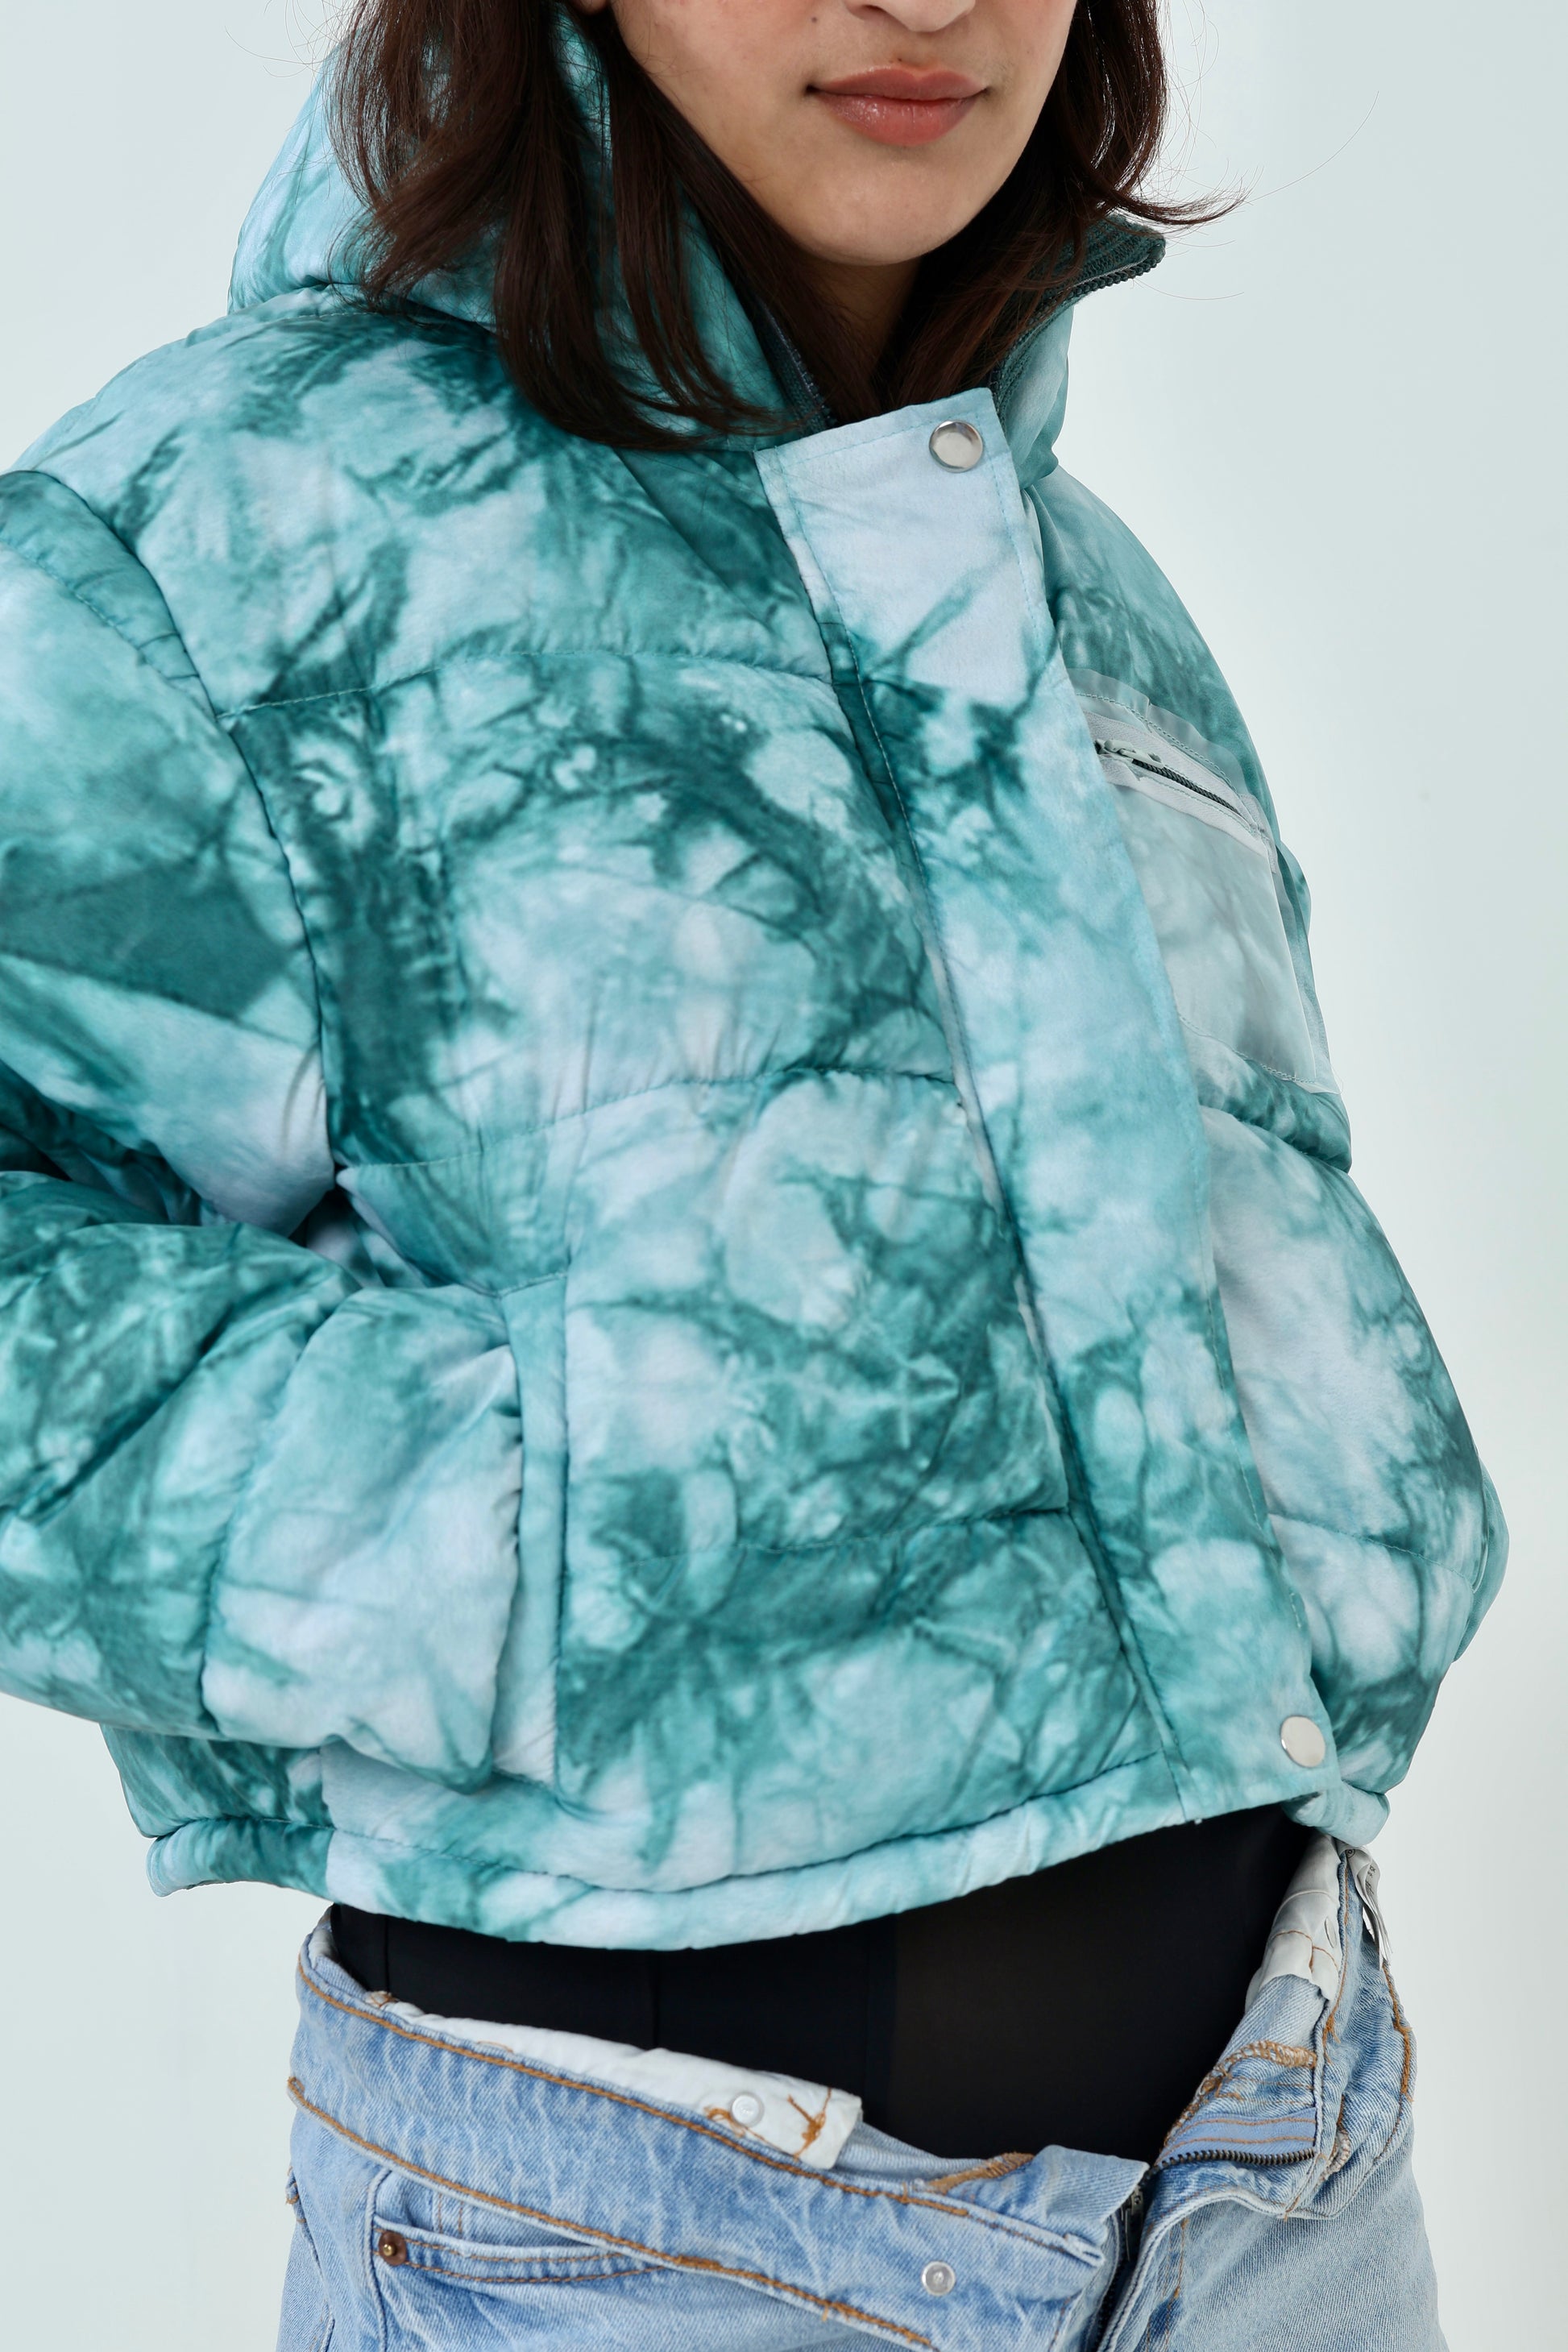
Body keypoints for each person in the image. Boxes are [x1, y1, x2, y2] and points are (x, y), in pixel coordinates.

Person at [0, 2, 1504, 2344]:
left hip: (1282, 2181)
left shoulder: (1071, 575)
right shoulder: (228, 527)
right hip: (649, 2246)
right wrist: (550, 1535)